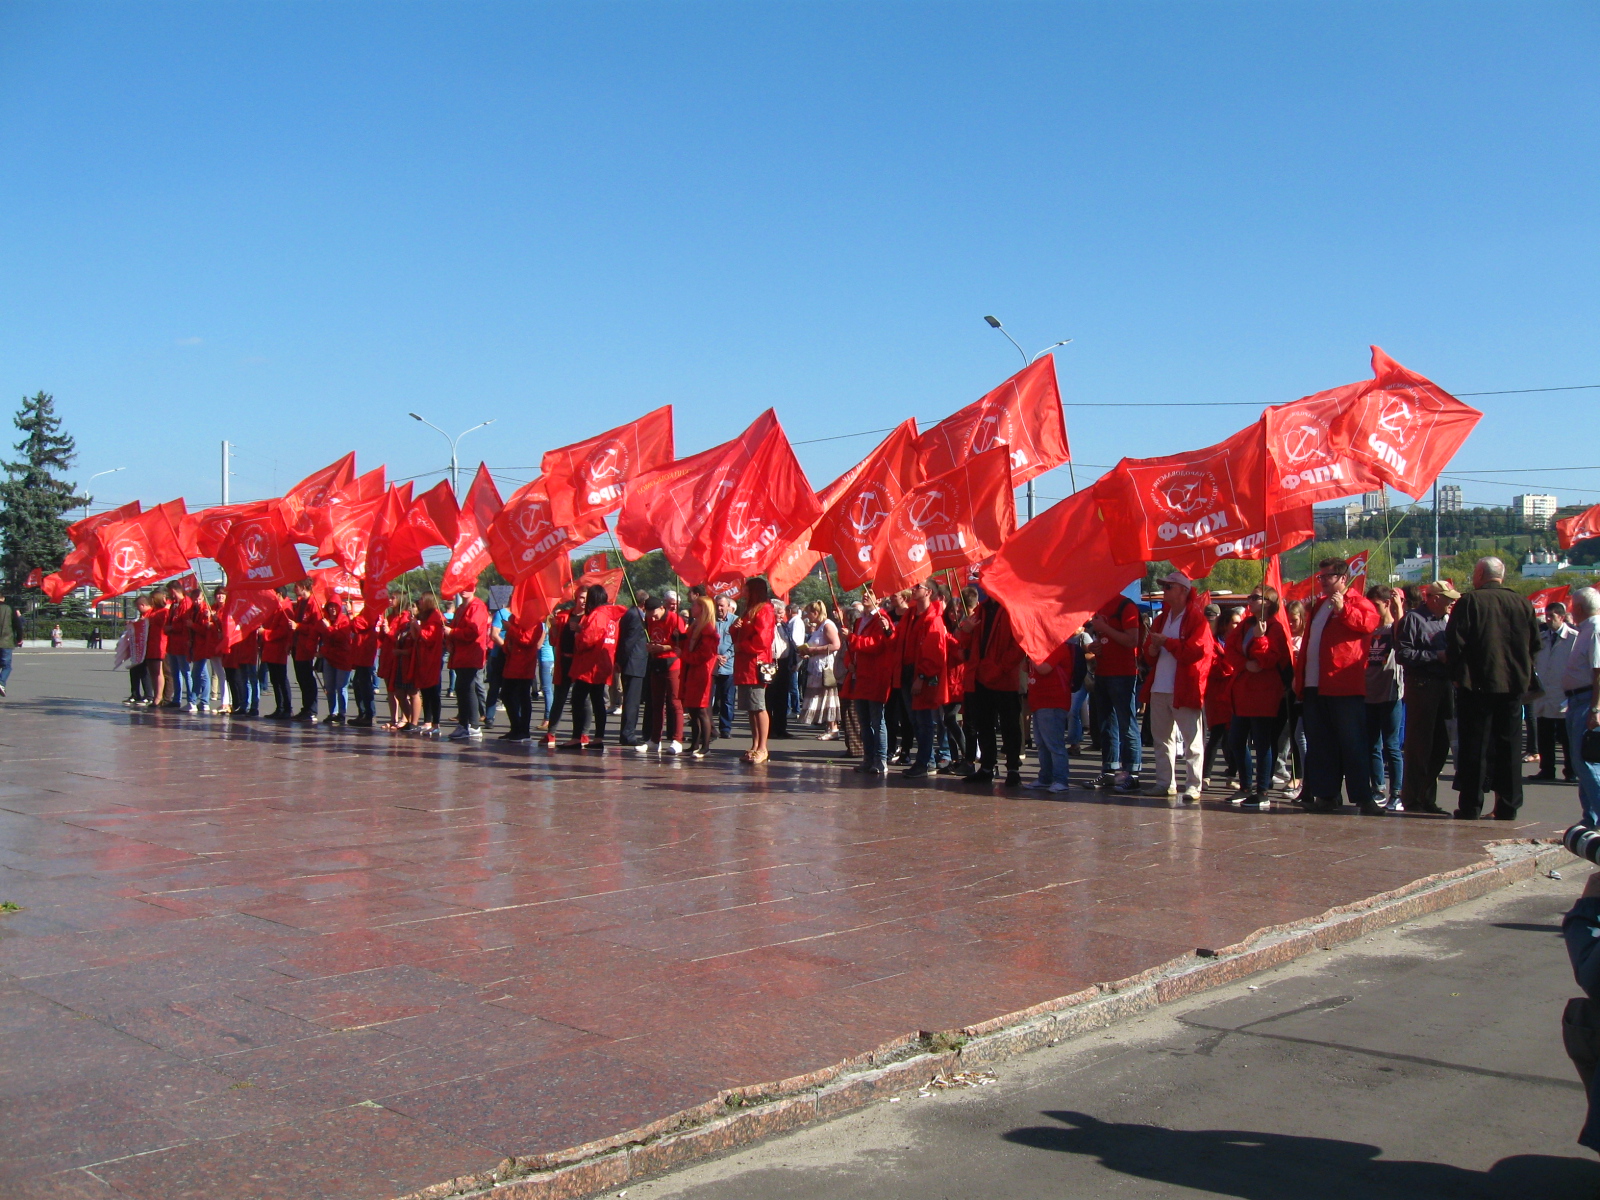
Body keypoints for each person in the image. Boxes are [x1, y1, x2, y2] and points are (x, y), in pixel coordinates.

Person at [1445, 556, 1542, 820]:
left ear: (1479, 574)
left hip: (1476, 684)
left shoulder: (1470, 601)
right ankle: (1508, 805)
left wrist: (1456, 675)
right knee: (1510, 746)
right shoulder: (1522, 603)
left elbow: (1455, 643)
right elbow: (1535, 644)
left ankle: (1471, 805)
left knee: (1475, 747)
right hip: (1513, 684)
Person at [1296, 557, 1382, 815]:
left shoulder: (1358, 602)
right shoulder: (1320, 605)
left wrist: (1344, 610)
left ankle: (1363, 797)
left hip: (1343, 685)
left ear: (1343, 578)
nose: (1322, 581)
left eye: (1327, 576)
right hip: (1315, 684)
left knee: (1352, 742)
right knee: (1320, 743)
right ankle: (1326, 795)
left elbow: (1369, 623)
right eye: (1321, 576)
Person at [1140, 570, 1213, 803]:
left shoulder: (1196, 618)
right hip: (1160, 687)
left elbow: (1196, 651)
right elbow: (1149, 654)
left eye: (1168, 586)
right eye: (1164, 586)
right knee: (1161, 739)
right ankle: (1165, 782)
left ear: (1183, 590)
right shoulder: (1162, 618)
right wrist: (1152, 650)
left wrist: (1167, 643)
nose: (1164, 590)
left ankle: (1193, 785)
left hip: (1184, 687)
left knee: (1192, 740)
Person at [1224, 585, 1291, 810]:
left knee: (1262, 742)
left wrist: (1261, 639)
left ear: (1268, 602)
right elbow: (1230, 650)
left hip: (1264, 692)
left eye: (1255, 597)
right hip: (1243, 690)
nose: (1250, 600)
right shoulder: (1245, 625)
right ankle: (1245, 786)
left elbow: (1270, 659)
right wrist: (1245, 664)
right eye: (1250, 596)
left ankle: (1262, 790)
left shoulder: (1274, 627)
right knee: (1236, 739)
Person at [1396, 580, 1456, 815]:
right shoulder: (1413, 619)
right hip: (1422, 686)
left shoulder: (1446, 621)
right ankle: (1413, 799)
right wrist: (1435, 656)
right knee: (1420, 745)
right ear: (1435, 598)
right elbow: (1403, 653)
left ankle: (1428, 798)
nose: (1451, 604)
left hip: (1444, 686)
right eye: (1448, 599)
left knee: (1440, 745)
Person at [962, 589, 1025, 787]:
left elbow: (1019, 644)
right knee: (984, 725)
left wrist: (999, 668)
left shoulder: (1011, 608)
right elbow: (965, 645)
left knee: (1009, 726)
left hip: (1003, 678)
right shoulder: (980, 610)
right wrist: (965, 630)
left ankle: (1013, 769)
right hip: (981, 676)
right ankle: (987, 767)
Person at [1090, 589, 1143, 791]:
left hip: (1123, 673)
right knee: (1106, 724)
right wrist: (1095, 647)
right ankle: (1109, 770)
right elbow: (1106, 639)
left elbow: (1132, 640)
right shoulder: (1099, 606)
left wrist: (1105, 628)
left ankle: (1133, 773)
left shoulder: (1126, 605)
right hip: (1103, 671)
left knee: (1126, 723)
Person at [566, 584, 626, 748]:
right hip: (605, 661)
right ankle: (599, 737)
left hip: (590, 664)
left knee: (578, 699)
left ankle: (577, 737)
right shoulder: (612, 616)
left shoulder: (597, 615)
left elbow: (588, 640)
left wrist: (578, 635)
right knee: (598, 700)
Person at [900, 580, 948, 778]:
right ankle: (926, 760)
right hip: (907, 672)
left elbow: (934, 653)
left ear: (928, 592)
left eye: (917, 587)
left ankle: (925, 762)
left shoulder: (934, 619)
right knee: (915, 720)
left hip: (921, 675)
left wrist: (921, 676)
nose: (913, 589)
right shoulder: (911, 615)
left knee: (924, 721)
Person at [846, 588, 897, 777]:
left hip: (875, 675)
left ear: (880, 598)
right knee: (864, 721)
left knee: (877, 720)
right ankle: (868, 759)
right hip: (861, 676)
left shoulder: (882, 619)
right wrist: (849, 663)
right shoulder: (861, 620)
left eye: (871, 593)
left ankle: (880, 759)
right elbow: (854, 649)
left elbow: (875, 644)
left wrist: (851, 638)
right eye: (864, 592)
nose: (865, 595)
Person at [1364, 584, 1406, 811]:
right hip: (1368, 692)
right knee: (1372, 744)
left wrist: (1398, 609)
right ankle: (1377, 788)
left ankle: (1397, 792)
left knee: (1391, 745)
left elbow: (1403, 636)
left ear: (1387, 604)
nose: (1372, 609)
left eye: (1376, 605)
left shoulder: (1393, 628)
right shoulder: (1369, 628)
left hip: (1390, 693)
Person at [1563, 587, 1600, 825]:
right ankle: (1590, 818)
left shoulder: (1595, 629)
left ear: (1578, 607)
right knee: (1580, 761)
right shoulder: (1586, 629)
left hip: (1587, 701)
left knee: (1586, 761)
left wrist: (1595, 709)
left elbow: (1598, 672)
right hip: (1578, 700)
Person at [731, 577, 778, 763]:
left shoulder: (764, 610)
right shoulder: (750, 610)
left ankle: (762, 748)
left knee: (758, 706)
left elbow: (762, 641)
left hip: (755, 665)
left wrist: (741, 645)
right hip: (745, 665)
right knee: (751, 708)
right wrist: (735, 629)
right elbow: (739, 635)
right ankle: (755, 744)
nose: (744, 593)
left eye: (747, 590)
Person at [1533, 601, 1579, 782]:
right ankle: (1546, 769)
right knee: (1544, 736)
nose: (1548, 619)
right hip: (1544, 693)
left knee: (1566, 738)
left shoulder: (1574, 638)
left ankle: (1571, 771)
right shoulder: (1542, 638)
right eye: (1547, 615)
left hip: (1564, 694)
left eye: (1552, 616)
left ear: (1561, 617)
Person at [1026, 638, 1074, 793]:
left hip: (1052, 701)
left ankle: (1061, 780)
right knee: (1041, 743)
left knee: (1054, 743)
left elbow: (1043, 668)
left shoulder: (1057, 647)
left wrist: (1030, 650)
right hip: (1039, 700)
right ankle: (1045, 777)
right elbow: (1025, 668)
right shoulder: (1040, 648)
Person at [645, 591, 687, 753]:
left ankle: (677, 739)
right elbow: (653, 638)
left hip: (672, 663)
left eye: (654, 614)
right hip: (656, 662)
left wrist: (664, 647)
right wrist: (651, 647)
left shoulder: (675, 619)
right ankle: (655, 740)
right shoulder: (650, 620)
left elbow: (681, 644)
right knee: (656, 703)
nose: (653, 618)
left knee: (675, 702)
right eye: (650, 615)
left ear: (662, 608)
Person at [446, 590, 491, 740]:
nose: (464, 590)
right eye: (463, 587)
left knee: (468, 688)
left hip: (470, 654)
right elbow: (455, 627)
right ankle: (465, 724)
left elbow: (473, 631)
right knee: (462, 688)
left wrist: (452, 633)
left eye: (468, 587)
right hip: (460, 654)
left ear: (474, 589)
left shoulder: (477, 607)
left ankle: (473, 725)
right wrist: (449, 640)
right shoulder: (461, 608)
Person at [680, 590, 720, 757]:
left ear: (703, 609)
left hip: (703, 672)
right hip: (693, 671)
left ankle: (705, 746)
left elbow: (704, 655)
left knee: (702, 710)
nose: (692, 607)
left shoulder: (707, 630)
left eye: (695, 605)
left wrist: (683, 655)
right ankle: (695, 744)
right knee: (694, 709)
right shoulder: (695, 627)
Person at [498, 610, 544, 742]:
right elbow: (509, 639)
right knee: (506, 694)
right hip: (512, 662)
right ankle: (516, 727)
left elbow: (528, 640)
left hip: (524, 664)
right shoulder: (514, 617)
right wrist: (507, 647)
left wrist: (511, 628)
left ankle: (523, 730)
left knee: (523, 696)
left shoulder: (534, 620)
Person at [800, 599, 842, 740]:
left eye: (808, 613)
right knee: (821, 697)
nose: (807, 616)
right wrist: (808, 652)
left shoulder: (827, 625)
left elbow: (836, 645)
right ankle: (828, 727)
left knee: (828, 697)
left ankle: (834, 728)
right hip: (816, 667)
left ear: (816, 613)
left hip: (825, 667)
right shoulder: (819, 626)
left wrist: (814, 650)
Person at [544, 595, 583, 748]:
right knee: (559, 697)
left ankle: (583, 734)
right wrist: (553, 626)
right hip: (564, 661)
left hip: (580, 662)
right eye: (581, 597)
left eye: (586, 598)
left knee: (582, 700)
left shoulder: (589, 617)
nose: (583, 601)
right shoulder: (564, 615)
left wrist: (580, 630)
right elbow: (554, 641)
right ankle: (551, 733)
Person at [615, 591, 650, 748]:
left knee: (632, 701)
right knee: (632, 701)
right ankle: (627, 734)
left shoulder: (631, 613)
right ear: (643, 603)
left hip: (632, 663)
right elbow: (628, 642)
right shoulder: (635, 616)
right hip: (633, 663)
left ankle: (627, 733)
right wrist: (621, 661)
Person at [409, 593, 446, 736]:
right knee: (425, 690)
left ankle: (436, 723)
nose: (419, 602)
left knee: (433, 691)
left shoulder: (435, 617)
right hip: (423, 657)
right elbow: (417, 637)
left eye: (422, 600)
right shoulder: (424, 616)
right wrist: (414, 626)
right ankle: (427, 721)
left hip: (432, 658)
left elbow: (429, 638)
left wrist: (418, 628)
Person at [316, 599, 353, 726]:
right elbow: (317, 634)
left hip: (343, 658)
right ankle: (333, 712)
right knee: (329, 687)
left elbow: (342, 638)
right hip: (328, 657)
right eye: (330, 606)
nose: (332, 609)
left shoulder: (344, 620)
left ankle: (342, 714)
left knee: (341, 687)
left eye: (335, 606)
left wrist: (329, 628)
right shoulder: (324, 620)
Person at [288, 581, 321, 721]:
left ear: (304, 587)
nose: (294, 589)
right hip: (297, 645)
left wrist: (299, 626)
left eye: (297, 586)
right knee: (301, 678)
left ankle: (312, 709)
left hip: (306, 646)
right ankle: (305, 707)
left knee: (307, 678)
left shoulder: (314, 603)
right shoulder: (301, 602)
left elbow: (316, 627)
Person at [259, 592, 295, 718]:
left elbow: (282, 632)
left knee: (281, 679)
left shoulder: (285, 609)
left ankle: (287, 708)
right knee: (275, 679)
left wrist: (265, 633)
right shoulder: (276, 608)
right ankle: (280, 707)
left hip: (279, 648)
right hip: (271, 648)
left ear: (279, 594)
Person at [347, 601, 380, 727]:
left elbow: (357, 625)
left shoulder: (371, 610)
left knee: (364, 683)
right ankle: (364, 713)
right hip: (361, 648)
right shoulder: (368, 609)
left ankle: (369, 714)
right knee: (358, 682)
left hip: (365, 648)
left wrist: (350, 613)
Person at [482, 597, 512, 729]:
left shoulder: (521, 615)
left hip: (514, 656)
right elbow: (494, 635)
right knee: (494, 687)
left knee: (511, 689)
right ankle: (489, 717)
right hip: (499, 655)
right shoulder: (502, 613)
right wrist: (506, 647)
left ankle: (516, 721)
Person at [116, 597, 150, 704]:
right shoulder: (143, 615)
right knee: (134, 669)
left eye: (137, 606)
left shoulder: (150, 614)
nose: (137, 609)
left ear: (143, 605)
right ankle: (135, 694)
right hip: (138, 647)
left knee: (144, 671)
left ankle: (148, 695)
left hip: (146, 648)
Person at [713, 594, 737, 740]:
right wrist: (715, 656)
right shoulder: (709, 620)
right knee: (709, 699)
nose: (719, 608)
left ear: (728, 607)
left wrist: (726, 656)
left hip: (729, 666)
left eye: (722, 605)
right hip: (712, 665)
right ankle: (708, 728)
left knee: (727, 699)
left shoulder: (735, 621)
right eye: (717, 605)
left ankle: (725, 728)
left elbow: (737, 642)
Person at [143, 591, 168, 706]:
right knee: (152, 671)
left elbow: (164, 625)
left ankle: (159, 696)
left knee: (158, 671)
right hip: (150, 643)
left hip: (159, 643)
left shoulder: (163, 612)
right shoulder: (152, 611)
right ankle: (156, 695)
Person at [0, 592, 20, 697]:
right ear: (3, 598)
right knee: (6, 666)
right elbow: (17, 624)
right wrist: (19, 638)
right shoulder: (10, 608)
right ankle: (1, 682)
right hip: (6, 641)